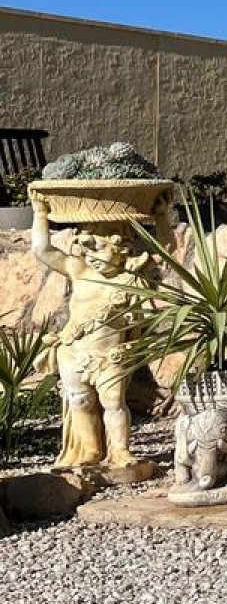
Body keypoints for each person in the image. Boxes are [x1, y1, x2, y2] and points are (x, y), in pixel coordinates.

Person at [30, 197, 166, 473]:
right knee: (80, 400)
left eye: (101, 250)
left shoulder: (130, 280)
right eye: (88, 250)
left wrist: (162, 217)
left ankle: (120, 451)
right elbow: (43, 250)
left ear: (122, 250)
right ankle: (89, 451)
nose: (92, 257)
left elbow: (165, 252)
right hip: (74, 351)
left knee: (114, 403)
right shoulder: (79, 271)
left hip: (110, 356)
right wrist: (40, 213)